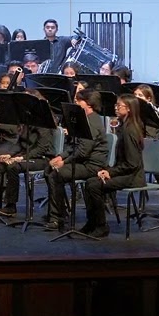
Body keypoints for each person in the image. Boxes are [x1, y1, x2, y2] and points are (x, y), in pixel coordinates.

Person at [0, 88, 55, 219]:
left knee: (13, 166)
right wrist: (9, 154)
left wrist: (20, 158)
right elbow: (20, 143)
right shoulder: (27, 117)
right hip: (26, 154)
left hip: (41, 157)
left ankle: (11, 205)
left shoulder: (44, 120)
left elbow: (42, 148)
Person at [80, 93, 145, 238]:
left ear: (128, 109)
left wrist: (111, 172)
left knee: (94, 185)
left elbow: (132, 164)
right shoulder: (125, 127)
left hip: (132, 176)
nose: (115, 108)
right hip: (125, 172)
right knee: (90, 182)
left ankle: (101, 225)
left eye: (119, 106)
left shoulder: (130, 131)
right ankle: (92, 222)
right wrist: (108, 170)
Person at [44, 89, 110, 231]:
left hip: (92, 165)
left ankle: (57, 217)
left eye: (78, 101)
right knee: (49, 170)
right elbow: (74, 144)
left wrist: (64, 162)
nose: (75, 104)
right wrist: (60, 156)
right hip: (82, 161)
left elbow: (83, 151)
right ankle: (59, 212)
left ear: (88, 104)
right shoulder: (83, 119)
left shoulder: (92, 121)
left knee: (57, 174)